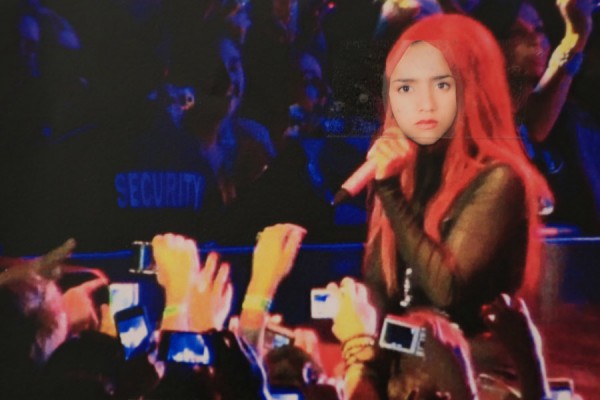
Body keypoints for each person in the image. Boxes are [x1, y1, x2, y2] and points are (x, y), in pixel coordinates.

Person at [359, 12, 552, 394]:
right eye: (407, 87)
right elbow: (387, 304)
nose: (424, 103)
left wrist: (390, 192)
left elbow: (447, 291)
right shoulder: (403, 174)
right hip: (413, 369)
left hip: (477, 379)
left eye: (441, 84)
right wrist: (362, 349)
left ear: (472, 89)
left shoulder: (500, 179)